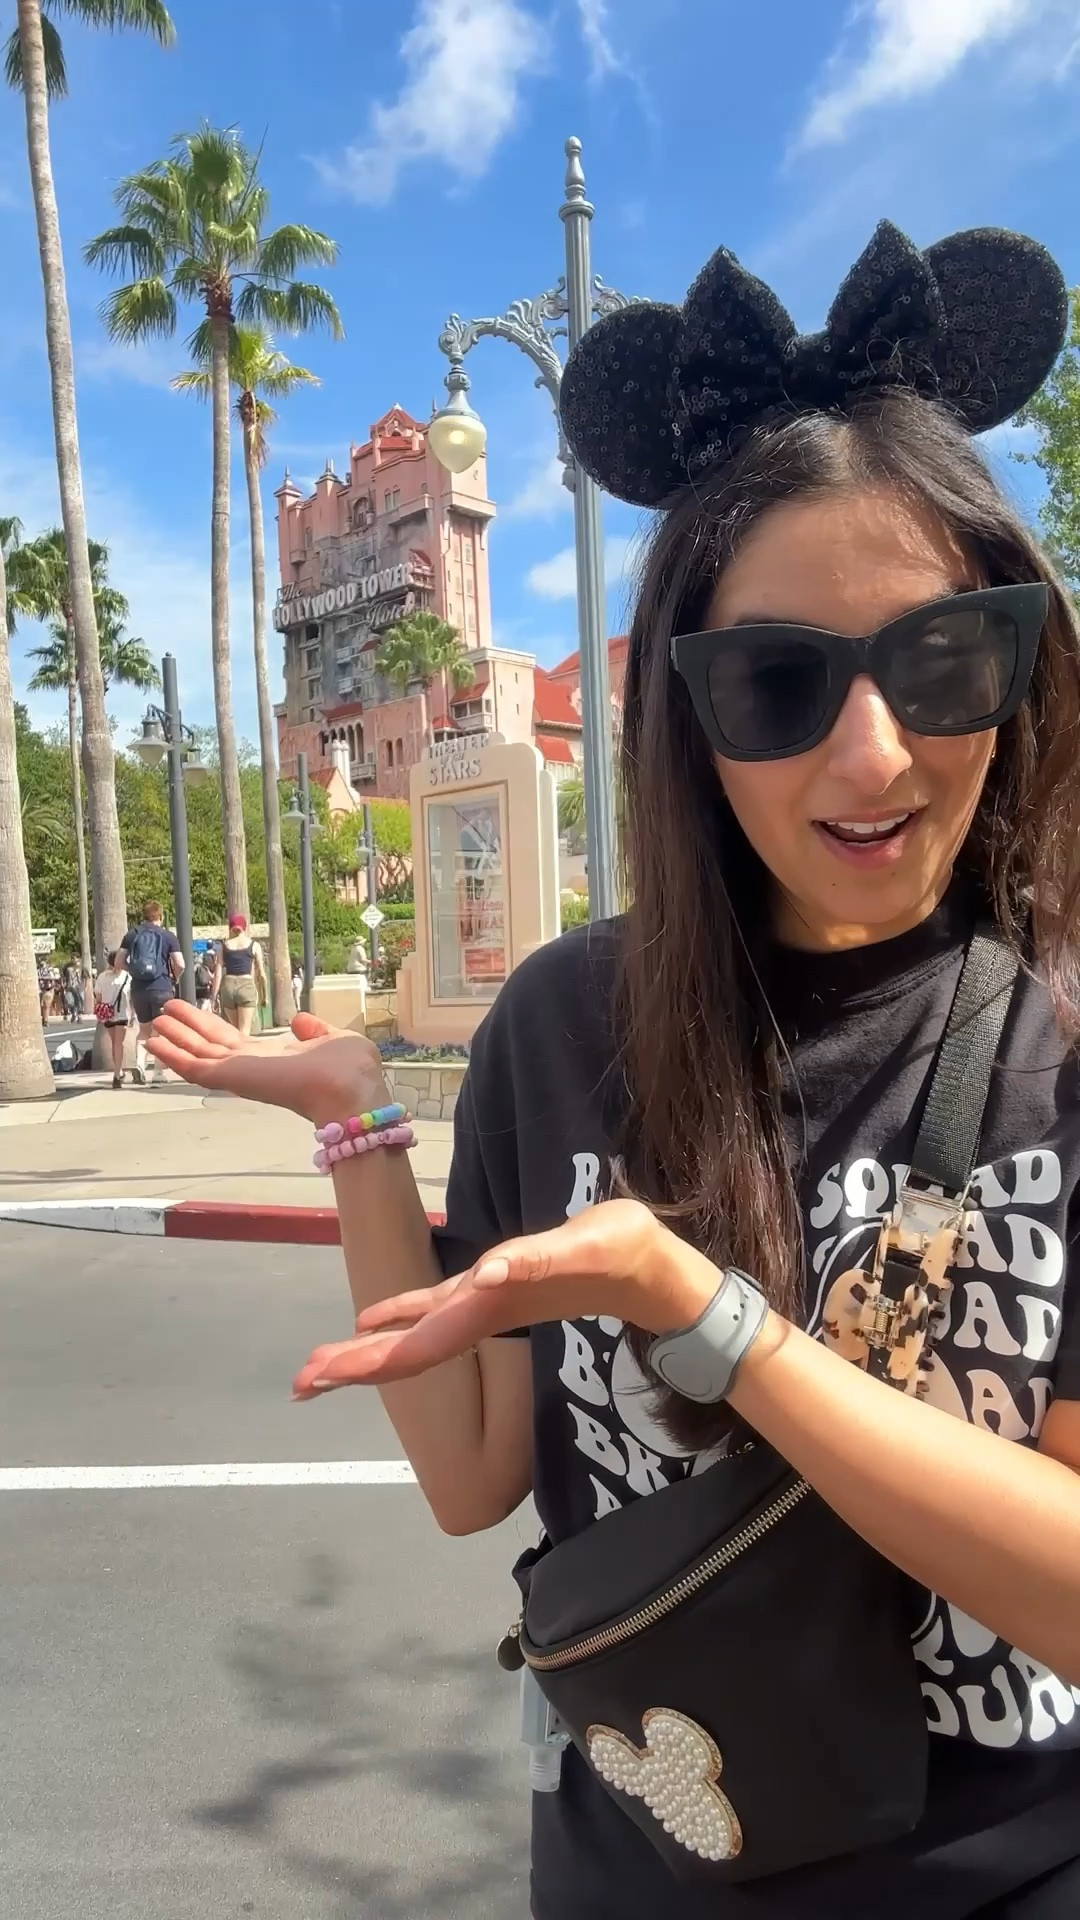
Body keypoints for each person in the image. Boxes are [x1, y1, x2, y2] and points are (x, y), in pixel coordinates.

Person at [149, 220, 1080, 1918]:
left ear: (1022, 668)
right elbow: (473, 1473)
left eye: (945, 661)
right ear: (684, 714)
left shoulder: (1057, 1050)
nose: (873, 755)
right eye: (779, 684)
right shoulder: (564, 1027)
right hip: (637, 1865)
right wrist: (357, 1121)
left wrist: (706, 1316)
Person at [117, 899, 184, 1086]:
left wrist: (133, 971)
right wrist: (174, 978)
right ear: (160, 916)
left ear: (143, 916)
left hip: (139, 989)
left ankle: (139, 1064)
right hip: (161, 987)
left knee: (144, 1030)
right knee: (161, 1031)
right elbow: (180, 963)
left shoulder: (132, 935)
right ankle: (158, 1072)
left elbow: (119, 962)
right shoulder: (168, 936)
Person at [212, 914, 266, 1035]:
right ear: (245, 928)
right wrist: (264, 996)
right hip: (246, 985)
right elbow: (262, 974)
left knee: (236, 1032)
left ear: (230, 928)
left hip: (228, 987)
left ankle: (237, 1053)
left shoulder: (223, 946)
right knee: (245, 1031)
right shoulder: (254, 945)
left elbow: (218, 973)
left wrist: (214, 997)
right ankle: (244, 1054)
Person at [93, 950, 132, 1088]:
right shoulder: (126, 976)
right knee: (118, 1043)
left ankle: (118, 1070)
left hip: (107, 1014)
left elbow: (98, 998)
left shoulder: (102, 977)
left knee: (114, 1042)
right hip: (122, 1013)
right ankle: (117, 1073)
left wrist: (98, 1012)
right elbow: (130, 997)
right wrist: (133, 1014)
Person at [60, 955, 82, 1022]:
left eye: (74, 958)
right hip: (69, 986)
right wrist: (63, 984)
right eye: (72, 958)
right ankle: (73, 1014)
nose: (73, 960)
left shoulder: (80, 967)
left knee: (78, 1001)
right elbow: (64, 976)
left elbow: (84, 977)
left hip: (78, 986)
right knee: (70, 1002)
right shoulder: (67, 967)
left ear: (78, 959)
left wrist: (84, 986)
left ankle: (79, 1016)